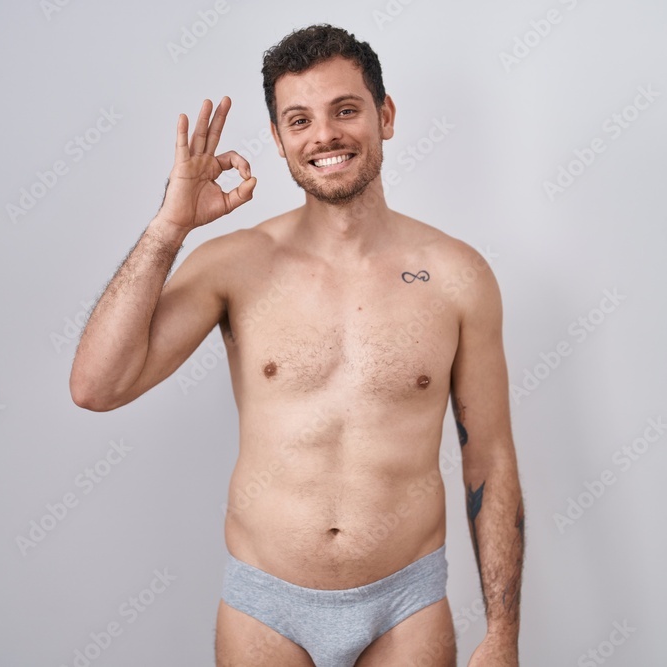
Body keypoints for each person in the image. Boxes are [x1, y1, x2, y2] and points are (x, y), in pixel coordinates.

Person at [69, 23, 523, 667]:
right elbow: (96, 386)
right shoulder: (235, 264)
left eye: (345, 110)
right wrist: (168, 228)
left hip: (406, 604)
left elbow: (491, 462)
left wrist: (502, 635)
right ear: (280, 140)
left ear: (384, 115)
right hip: (266, 607)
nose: (325, 135)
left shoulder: (457, 275)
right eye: (299, 120)